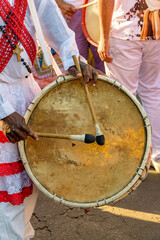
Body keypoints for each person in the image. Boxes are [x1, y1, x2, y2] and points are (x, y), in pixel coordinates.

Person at [0, 0, 98, 239]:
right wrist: (2, 112)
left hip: (25, 92)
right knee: (7, 195)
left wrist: (73, 62)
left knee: (27, 185)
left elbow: (59, 32)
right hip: (3, 100)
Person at [98, 0, 160, 172]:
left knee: (122, 96)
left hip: (124, 32)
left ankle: (126, 154)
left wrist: (104, 37)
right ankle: (156, 153)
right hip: (155, 31)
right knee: (153, 93)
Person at [55, 0, 105, 73]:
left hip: (97, 8)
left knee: (102, 57)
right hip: (71, 11)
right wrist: (61, 4)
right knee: (76, 60)